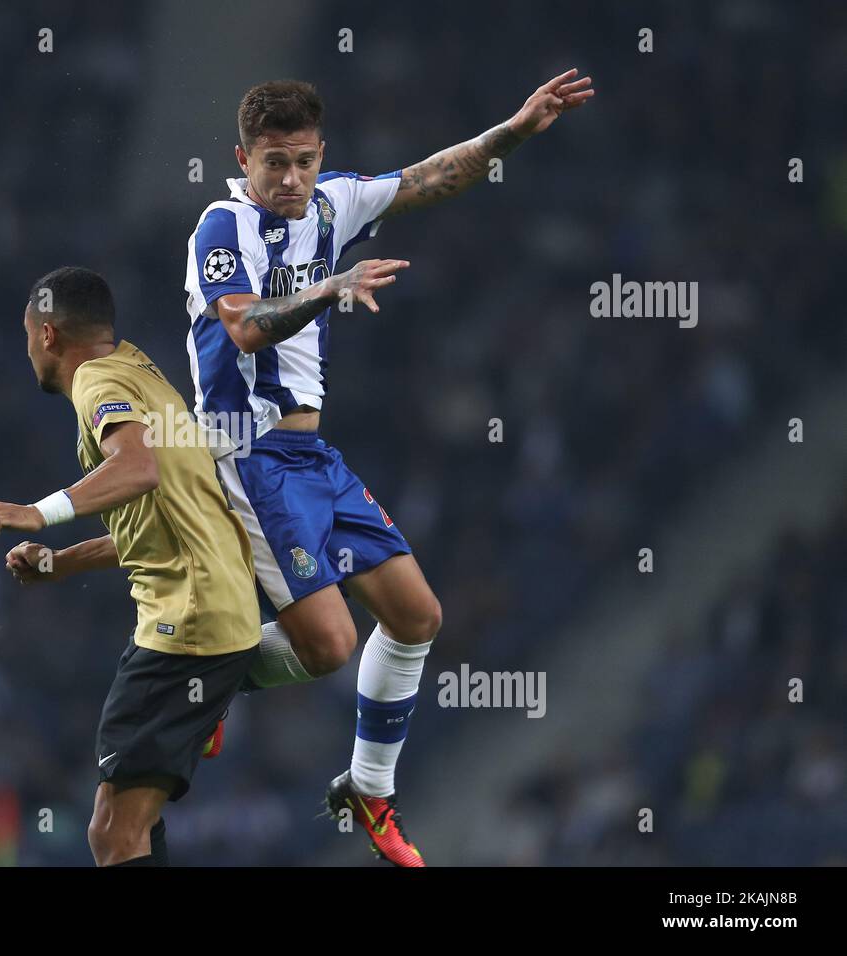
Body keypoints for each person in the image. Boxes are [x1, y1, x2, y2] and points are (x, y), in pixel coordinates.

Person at [182, 71, 594, 865]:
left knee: (416, 616)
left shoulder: (332, 204)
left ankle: (368, 789)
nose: (292, 179)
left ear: (320, 153)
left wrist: (512, 129)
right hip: (245, 454)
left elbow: (430, 177)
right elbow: (243, 331)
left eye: (303, 161)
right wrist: (331, 288)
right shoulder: (220, 228)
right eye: (275, 163)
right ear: (244, 158)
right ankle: (202, 670)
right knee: (329, 647)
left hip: (311, 456)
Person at [0, 265, 261, 866]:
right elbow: (166, 519)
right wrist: (63, 563)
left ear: (47, 334)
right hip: (212, 608)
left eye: (27, 336)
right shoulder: (141, 371)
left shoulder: (98, 385)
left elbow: (137, 470)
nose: (28, 350)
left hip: (187, 625)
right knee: (134, 826)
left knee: (111, 834)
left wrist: (38, 513)